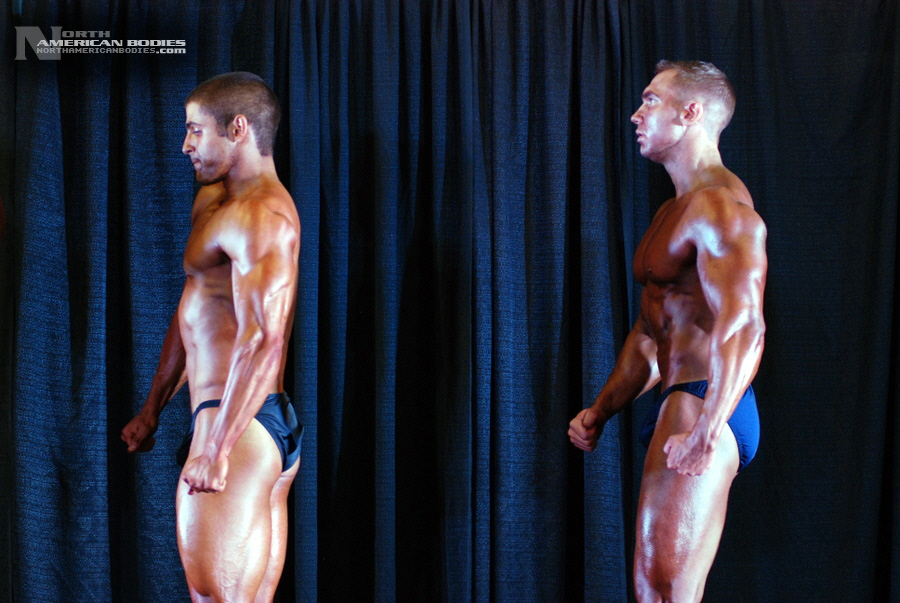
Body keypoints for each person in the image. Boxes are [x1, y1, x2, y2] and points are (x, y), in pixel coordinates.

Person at [568, 60, 767, 602]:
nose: (637, 114)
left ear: (691, 112)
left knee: (663, 591)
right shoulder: (673, 212)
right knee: (654, 588)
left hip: (704, 401)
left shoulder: (718, 205)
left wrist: (708, 427)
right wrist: (602, 409)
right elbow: (650, 332)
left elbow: (745, 325)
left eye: (651, 100)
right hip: (683, 399)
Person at [121, 71, 303, 602]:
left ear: (238, 129)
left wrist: (218, 446)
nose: (186, 144)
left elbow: (264, 338)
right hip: (243, 419)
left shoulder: (262, 215)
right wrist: (153, 408)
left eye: (196, 130)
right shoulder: (215, 204)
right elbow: (195, 308)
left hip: (236, 423)